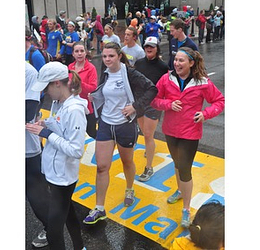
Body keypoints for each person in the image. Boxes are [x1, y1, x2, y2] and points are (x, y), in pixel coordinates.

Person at [83, 42, 158, 225]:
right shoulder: (106, 70)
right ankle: (99, 208)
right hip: (106, 124)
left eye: (111, 56)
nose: (107, 59)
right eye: (105, 56)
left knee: (127, 162)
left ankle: (129, 188)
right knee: (101, 166)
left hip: (125, 125)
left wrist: (134, 106)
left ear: (119, 56)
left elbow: (152, 89)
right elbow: (104, 90)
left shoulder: (129, 73)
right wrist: (96, 96)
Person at [151, 47, 224, 228]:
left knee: (184, 169)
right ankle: (179, 190)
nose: (177, 63)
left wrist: (205, 114)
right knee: (176, 163)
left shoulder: (202, 82)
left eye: (181, 60)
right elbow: (154, 99)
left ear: (191, 63)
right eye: (176, 60)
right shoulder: (166, 79)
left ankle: (186, 209)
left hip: (190, 133)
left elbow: (219, 101)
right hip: (170, 130)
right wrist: (168, 104)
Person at [26, 62, 88, 250]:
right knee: (69, 215)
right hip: (53, 173)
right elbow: (60, 126)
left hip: (63, 177)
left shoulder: (75, 110)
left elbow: (76, 150)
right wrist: (47, 124)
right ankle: (80, 247)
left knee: (53, 234)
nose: (44, 93)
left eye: (46, 87)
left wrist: (47, 134)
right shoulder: (57, 102)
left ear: (57, 84)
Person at [134, 37, 168, 181]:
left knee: (148, 135)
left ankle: (149, 168)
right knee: (145, 133)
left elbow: (166, 85)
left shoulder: (162, 67)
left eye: (152, 47)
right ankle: (150, 148)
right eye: (147, 46)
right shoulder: (139, 63)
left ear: (157, 48)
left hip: (153, 104)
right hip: (139, 102)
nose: (149, 49)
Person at [25, 62, 49, 248]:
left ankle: (50, 229)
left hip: (26, 149)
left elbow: (28, 112)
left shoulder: (28, 72)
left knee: (36, 194)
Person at [68, 41, 98, 139]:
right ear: (73, 54)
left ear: (86, 52)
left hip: (87, 108)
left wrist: (78, 82)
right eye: (77, 51)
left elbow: (93, 88)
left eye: (82, 51)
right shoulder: (70, 67)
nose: (79, 53)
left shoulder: (91, 68)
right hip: (72, 106)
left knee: (91, 135)